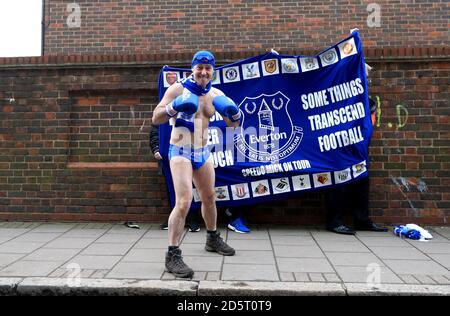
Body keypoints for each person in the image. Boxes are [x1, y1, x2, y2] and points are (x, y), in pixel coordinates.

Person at [151, 51, 240, 278]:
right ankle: (172, 254)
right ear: (193, 68)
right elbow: (156, 117)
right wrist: (175, 107)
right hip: (180, 150)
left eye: (207, 69)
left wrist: (236, 114)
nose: (203, 72)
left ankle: (212, 238)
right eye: (199, 68)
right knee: (183, 202)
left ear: (213, 71)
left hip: (202, 151)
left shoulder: (216, 94)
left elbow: (233, 126)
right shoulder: (179, 89)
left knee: (210, 196)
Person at [324, 63, 388, 235]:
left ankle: (362, 219)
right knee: (339, 183)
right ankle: (335, 221)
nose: (368, 79)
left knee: (362, 182)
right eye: (365, 74)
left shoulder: (363, 97)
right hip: (340, 147)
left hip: (359, 147)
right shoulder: (341, 92)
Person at [149, 123, 201, 232]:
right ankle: (175, 219)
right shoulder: (164, 110)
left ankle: (193, 219)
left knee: (190, 186)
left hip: (188, 153)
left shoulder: (190, 109)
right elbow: (155, 130)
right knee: (172, 189)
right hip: (168, 156)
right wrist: (156, 148)